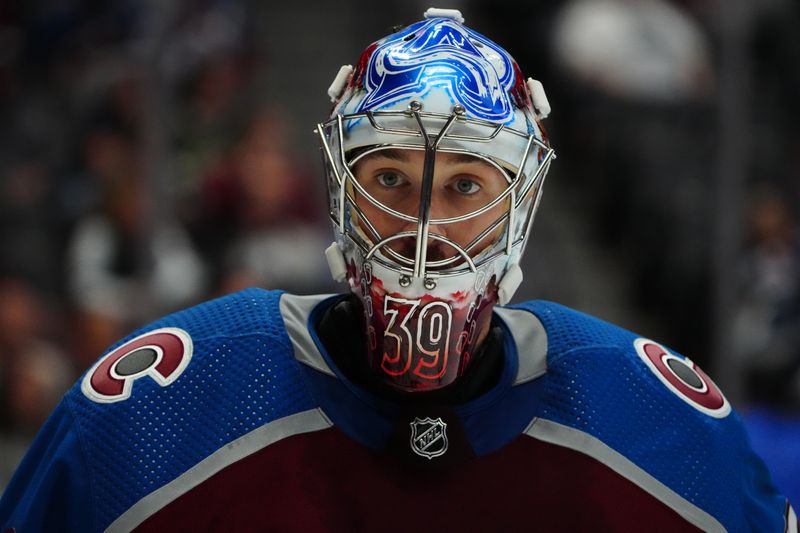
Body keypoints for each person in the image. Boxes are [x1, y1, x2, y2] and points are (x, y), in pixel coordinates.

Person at [0, 8, 795, 532]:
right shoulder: (154, 414)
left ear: (520, 208)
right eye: (390, 181)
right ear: (339, 192)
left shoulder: (661, 426)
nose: (425, 231)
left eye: (464, 186)